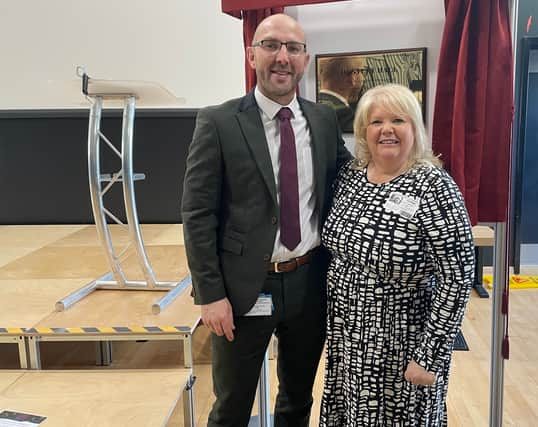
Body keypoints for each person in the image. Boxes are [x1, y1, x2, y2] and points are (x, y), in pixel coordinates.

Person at [181, 13, 351, 427]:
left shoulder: (324, 120)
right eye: (271, 45)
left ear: (305, 60)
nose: (282, 57)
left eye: (293, 48)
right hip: (242, 289)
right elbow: (197, 212)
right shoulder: (218, 122)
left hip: (309, 283)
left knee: (297, 399)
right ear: (251, 54)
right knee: (232, 406)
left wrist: (414, 178)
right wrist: (209, 294)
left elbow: (351, 180)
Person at [319, 83, 475, 426]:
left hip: (403, 343)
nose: (386, 129)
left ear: (414, 129)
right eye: (376, 122)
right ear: (363, 131)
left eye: (398, 120)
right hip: (349, 339)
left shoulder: (434, 186)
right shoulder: (350, 177)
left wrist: (429, 356)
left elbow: (458, 278)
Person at [318, 56, 367, 133]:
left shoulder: (314, 105)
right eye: (362, 71)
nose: (363, 78)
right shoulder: (343, 114)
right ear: (353, 76)